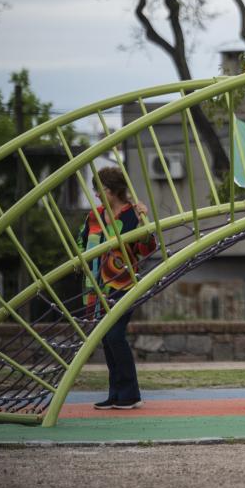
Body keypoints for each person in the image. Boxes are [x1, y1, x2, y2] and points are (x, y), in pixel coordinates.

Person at [76, 167, 156, 411]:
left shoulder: (132, 215)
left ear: (111, 190)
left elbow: (148, 247)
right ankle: (116, 394)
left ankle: (131, 393)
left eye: (101, 190)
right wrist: (79, 259)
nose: (97, 194)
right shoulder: (94, 216)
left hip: (123, 285)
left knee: (115, 335)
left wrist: (146, 220)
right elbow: (81, 241)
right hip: (97, 287)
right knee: (107, 340)